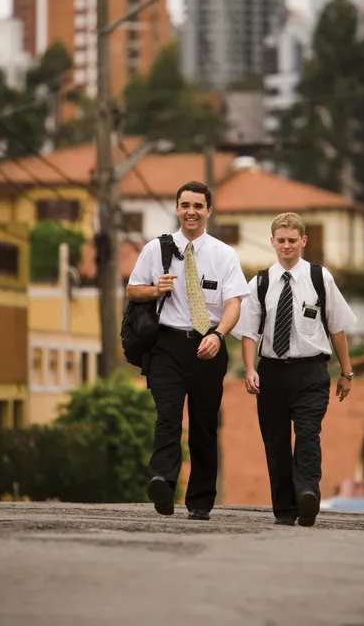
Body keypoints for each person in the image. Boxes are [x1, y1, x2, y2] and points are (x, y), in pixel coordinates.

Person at [127, 180, 250, 521]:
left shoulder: (224, 255)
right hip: (166, 345)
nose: (191, 211)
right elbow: (132, 290)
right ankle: (163, 483)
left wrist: (219, 334)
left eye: (198, 205)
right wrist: (155, 290)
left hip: (208, 346)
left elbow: (233, 303)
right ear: (177, 209)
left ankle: (200, 501)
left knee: (203, 425)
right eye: (185, 205)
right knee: (167, 416)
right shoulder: (156, 249)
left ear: (208, 210)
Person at [235, 212, 357, 528]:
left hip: (311, 372)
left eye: (293, 240)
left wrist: (346, 372)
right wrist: (249, 369)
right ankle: (285, 510)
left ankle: (307, 494)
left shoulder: (320, 278)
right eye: (281, 240)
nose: (287, 246)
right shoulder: (259, 283)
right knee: (275, 442)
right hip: (272, 373)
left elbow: (338, 327)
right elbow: (249, 332)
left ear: (303, 241)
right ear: (273, 242)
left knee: (307, 434)